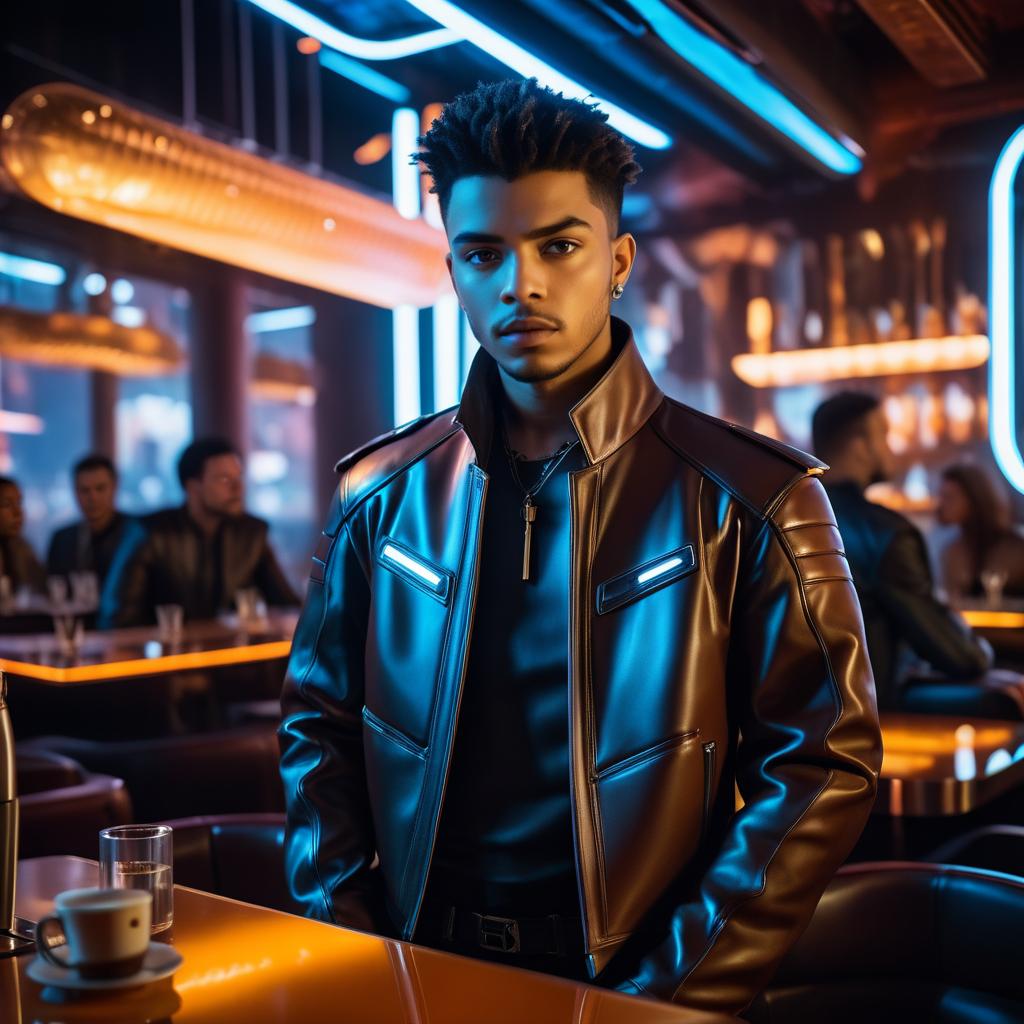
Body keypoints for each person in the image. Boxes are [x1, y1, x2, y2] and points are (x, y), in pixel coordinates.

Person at [280, 79, 881, 1016]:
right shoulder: (379, 494)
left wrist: (671, 993)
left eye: (559, 246)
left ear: (618, 261)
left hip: (654, 973)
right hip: (419, 961)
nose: (519, 283)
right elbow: (317, 728)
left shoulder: (756, 496)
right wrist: (358, 951)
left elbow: (824, 763)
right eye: (483, 253)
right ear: (453, 272)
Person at [812, 392, 992, 709]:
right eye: (884, 435)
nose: (890, 448)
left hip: (798, 720)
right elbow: (954, 654)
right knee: (1005, 698)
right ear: (860, 447)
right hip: (867, 716)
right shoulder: (885, 533)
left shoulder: (787, 523)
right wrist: (981, 651)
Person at [100, 437, 299, 627]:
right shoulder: (150, 533)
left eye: (238, 477)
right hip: (168, 657)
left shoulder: (251, 533)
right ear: (192, 486)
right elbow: (118, 617)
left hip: (234, 654)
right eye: (223, 479)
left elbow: (287, 604)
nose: (238, 487)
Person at [46, 454, 140, 591]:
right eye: (84, 490)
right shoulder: (62, 539)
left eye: (100, 489)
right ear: (75, 492)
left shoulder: (135, 535)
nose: (93, 498)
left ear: (114, 488)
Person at [935, 462, 1024, 601]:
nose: (941, 504)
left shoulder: (1015, 550)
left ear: (974, 497)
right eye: (941, 496)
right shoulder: (952, 552)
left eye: (950, 497)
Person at [0, 477, 45, 593]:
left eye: (19, 503)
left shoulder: (22, 549)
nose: (18, 512)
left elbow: (44, 590)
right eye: (6, 504)